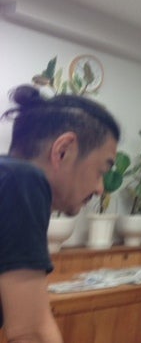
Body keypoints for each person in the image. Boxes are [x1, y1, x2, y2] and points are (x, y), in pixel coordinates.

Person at [0, 85, 120, 343]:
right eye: (101, 171)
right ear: (63, 150)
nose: (100, 188)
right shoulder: (22, 180)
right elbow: (31, 333)